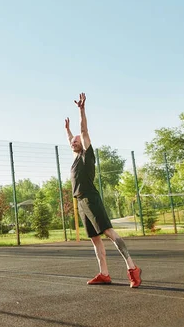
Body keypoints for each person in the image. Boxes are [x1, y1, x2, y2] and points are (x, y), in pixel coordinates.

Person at [65, 92, 142, 288]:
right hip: (81, 202)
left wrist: (81, 110)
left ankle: (133, 269)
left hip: (91, 199)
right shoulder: (75, 158)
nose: (73, 142)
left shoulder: (86, 156)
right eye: (72, 141)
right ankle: (104, 274)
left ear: (83, 143)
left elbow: (83, 130)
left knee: (109, 233)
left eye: (76, 141)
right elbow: (72, 139)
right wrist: (67, 130)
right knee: (95, 239)